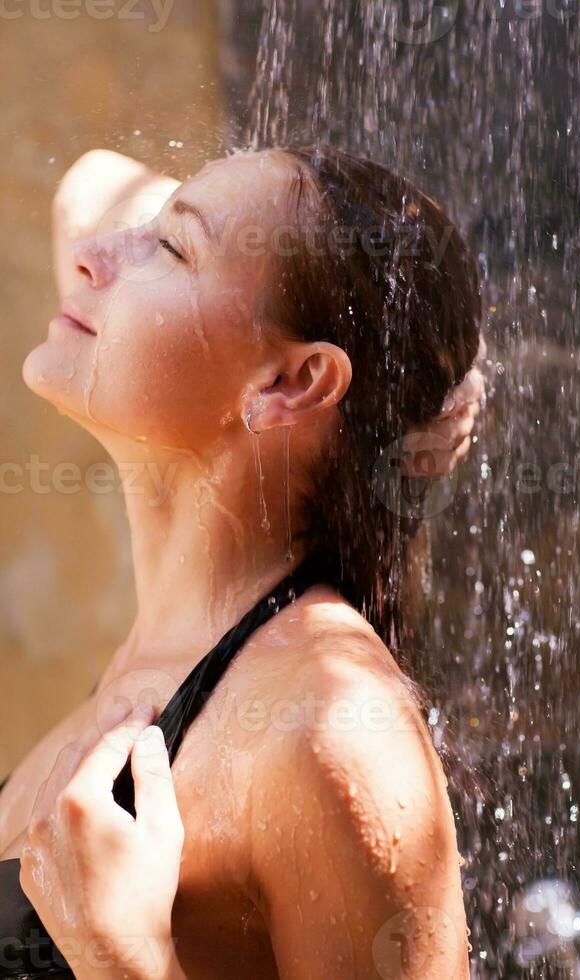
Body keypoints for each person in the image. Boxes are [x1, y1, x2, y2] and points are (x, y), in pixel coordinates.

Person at [0, 146, 484, 979]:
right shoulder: (182, 631)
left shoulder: (331, 726)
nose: (95, 255)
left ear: (291, 382)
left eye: (171, 249)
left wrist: (127, 964)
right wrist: (426, 386)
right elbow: (89, 182)